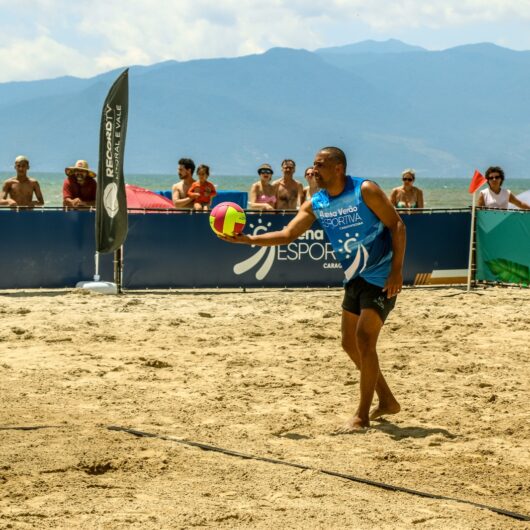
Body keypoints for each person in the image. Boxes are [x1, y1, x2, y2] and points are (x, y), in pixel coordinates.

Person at [220, 147, 406, 433]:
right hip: (354, 276)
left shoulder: (365, 190)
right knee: (348, 344)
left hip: (380, 274)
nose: (313, 170)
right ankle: (387, 400)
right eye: (313, 165)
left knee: (364, 340)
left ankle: (362, 416)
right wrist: (247, 240)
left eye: (320, 165)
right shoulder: (316, 203)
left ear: (338, 168)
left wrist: (396, 271)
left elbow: (397, 225)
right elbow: (288, 234)